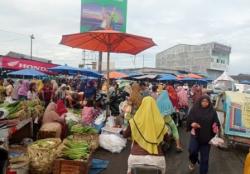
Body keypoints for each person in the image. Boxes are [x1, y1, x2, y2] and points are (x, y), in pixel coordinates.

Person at [122, 96, 168, 174]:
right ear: (155, 106)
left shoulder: (134, 121)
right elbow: (167, 139)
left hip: (135, 159)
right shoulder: (160, 123)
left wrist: (123, 132)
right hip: (157, 160)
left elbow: (125, 135)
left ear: (142, 106)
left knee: (129, 171)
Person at [187, 95, 220, 174]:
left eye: (207, 102)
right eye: (203, 101)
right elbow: (189, 119)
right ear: (200, 101)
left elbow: (216, 122)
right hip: (195, 135)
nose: (205, 103)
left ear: (209, 102)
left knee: (205, 159)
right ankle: (193, 161)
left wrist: (215, 126)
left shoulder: (212, 111)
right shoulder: (195, 109)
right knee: (192, 151)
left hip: (207, 138)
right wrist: (192, 124)